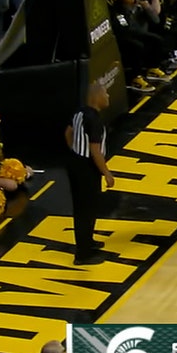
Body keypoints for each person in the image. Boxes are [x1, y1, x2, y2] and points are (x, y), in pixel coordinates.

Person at [64, 81, 113, 265]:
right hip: (87, 167)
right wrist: (106, 172)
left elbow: (68, 133)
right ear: (97, 97)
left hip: (75, 163)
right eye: (106, 93)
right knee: (87, 208)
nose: (108, 96)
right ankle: (83, 254)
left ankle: (87, 241)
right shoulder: (94, 119)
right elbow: (95, 150)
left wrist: (75, 150)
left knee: (82, 206)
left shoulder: (79, 112)